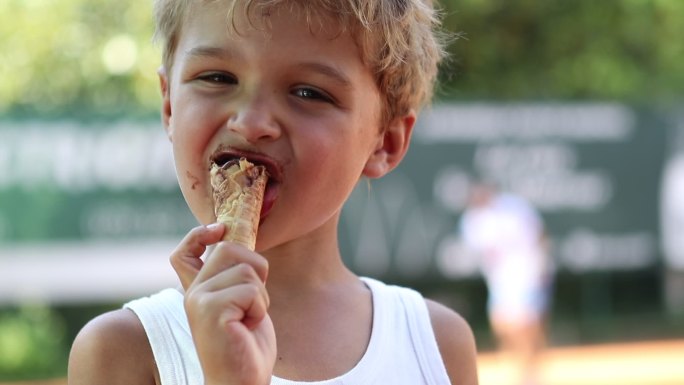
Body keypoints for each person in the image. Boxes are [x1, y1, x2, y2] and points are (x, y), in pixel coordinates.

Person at [68, 1, 479, 384]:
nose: (251, 122)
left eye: (309, 93)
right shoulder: (124, 352)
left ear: (384, 142)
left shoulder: (436, 344)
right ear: (169, 105)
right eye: (217, 77)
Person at [459, 182, 552, 385]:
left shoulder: (515, 207)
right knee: (503, 325)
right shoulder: (472, 221)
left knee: (526, 326)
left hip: (528, 274)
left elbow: (539, 235)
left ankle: (531, 372)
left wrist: (542, 266)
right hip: (500, 281)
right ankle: (519, 365)